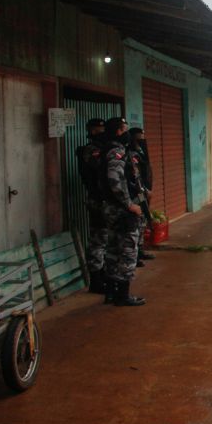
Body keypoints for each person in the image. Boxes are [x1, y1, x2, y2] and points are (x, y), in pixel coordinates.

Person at [101, 117, 146, 307]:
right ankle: (123, 295)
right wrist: (129, 204)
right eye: (125, 129)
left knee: (112, 250)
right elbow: (115, 180)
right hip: (121, 210)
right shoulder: (116, 152)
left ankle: (111, 292)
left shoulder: (108, 149)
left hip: (111, 209)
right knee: (127, 251)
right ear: (119, 131)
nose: (127, 132)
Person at [76, 118, 108, 294]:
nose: (101, 132)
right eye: (98, 130)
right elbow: (100, 169)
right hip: (97, 200)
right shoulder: (91, 150)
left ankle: (102, 274)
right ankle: (96, 279)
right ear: (91, 131)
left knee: (105, 239)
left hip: (105, 200)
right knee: (98, 239)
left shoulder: (102, 148)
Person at [128, 128, 155, 266]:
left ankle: (140, 250)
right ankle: (135, 255)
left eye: (143, 137)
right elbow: (136, 177)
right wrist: (145, 190)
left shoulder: (141, 152)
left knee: (143, 221)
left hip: (144, 192)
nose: (142, 140)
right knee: (137, 223)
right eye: (139, 138)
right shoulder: (131, 154)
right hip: (137, 193)